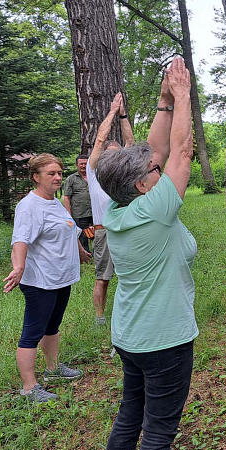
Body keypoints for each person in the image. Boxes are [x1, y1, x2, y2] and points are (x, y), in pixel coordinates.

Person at [96, 57, 196, 450]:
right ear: (142, 186)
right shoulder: (156, 208)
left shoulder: (115, 208)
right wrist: (185, 97)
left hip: (130, 335)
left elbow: (155, 157)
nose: (158, 171)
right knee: (157, 434)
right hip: (164, 340)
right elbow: (179, 153)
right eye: (151, 174)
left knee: (128, 418)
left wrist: (163, 102)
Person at [4, 154, 92, 403]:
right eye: (51, 174)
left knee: (52, 326)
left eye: (59, 173)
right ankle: (29, 388)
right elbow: (20, 240)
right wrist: (18, 267)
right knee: (32, 332)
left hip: (60, 277)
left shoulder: (53, 202)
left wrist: (80, 251)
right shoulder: (29, 206)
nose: (57, 178)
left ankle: (53, 370)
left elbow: (69, 228)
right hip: (40, 280)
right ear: (36, 177)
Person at [87, 92, 135, 325]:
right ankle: (100, 319)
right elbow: (98, 140)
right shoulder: (94, 172)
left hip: (127, 228)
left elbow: (131, 143)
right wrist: (112, 112)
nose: (115, 160)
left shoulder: (124, 173)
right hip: (104, 230)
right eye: (110, 155)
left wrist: (123, 114)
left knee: (132, 276)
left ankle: (129, 316)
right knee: (103, 277)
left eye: (119, 156)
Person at [63, 155, 93, 253]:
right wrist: (68, 215)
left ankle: (98, 254)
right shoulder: (71, 179)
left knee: (97, 234)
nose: (83, 166)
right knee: (82, 236)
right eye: (81, 164)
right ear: (77, 165)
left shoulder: (94, 177)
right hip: (79, 213)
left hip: (94, 212)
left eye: (85, 163)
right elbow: (67, 197)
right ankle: (85, 255)